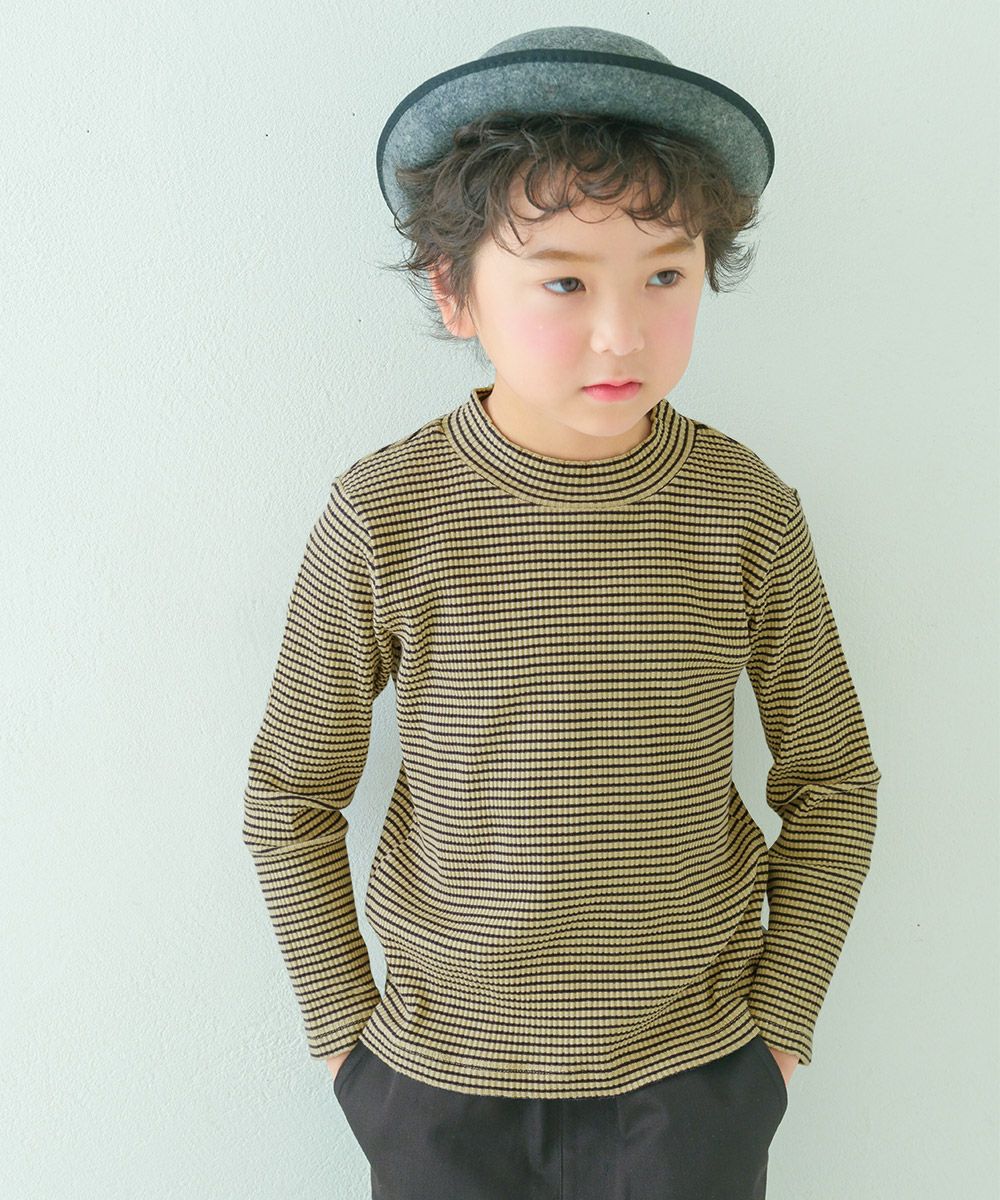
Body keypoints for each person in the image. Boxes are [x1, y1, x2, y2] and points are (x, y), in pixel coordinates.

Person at [242, 25, 881, 1200]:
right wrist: (346, 1047)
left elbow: (833, 780)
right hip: (436, 1084)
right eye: (563, 281)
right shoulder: (385, 514)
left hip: (693, 1080)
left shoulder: (743, 509)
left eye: (664, 275)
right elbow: (290, 791)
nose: (620, 331)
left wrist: (776, 1038)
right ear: (452, 290)